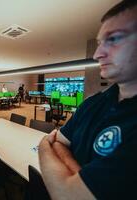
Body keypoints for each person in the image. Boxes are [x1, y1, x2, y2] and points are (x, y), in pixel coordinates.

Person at [38, 1, 137, 199]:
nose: (97, 54)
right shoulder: (94, 102)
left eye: (114, 38)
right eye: (100, 43)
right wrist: (80, 174)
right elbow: (61, 141)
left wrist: (43, 145)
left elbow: (68, 194)